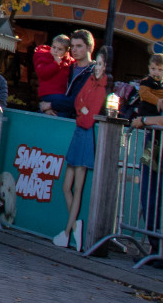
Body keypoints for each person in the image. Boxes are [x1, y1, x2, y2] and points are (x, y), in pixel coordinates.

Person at [54, 36, 108, 250]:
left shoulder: (101, 85)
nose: (99, 67)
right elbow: (78, 102)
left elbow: (89, 112)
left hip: (86, 134)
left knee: (77, 186)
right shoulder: (89, 79)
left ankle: (67, 233)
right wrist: (82, 109)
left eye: (102, 64)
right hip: (79, 131)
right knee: (66, 186)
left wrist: (83, 110)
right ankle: (76, 226)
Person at [130, 53, 163, 251]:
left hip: (156, 142)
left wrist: (143, 121)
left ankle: (156, 243)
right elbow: (144, 94)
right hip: (153, 144)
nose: (156, 72)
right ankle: (153, 243)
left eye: (159, 69)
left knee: (151, 190)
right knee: (147, 188)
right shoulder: (147, 83)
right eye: (154, 68)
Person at [41, 30, 95, 119]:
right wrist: (45, 106)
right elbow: (50, 88)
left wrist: (51, 104)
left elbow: (78, 101)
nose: (74, 49)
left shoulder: (94, 73)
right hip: (55, 117)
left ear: (89, 48)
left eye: (79, 46)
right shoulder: (67, 67)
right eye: (72, 46)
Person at [35, 34, 74, 106]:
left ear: (66, 51)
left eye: (60, 49)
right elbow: (43, 74)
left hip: (62, 94)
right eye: (54, 47)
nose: (55, 51)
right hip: (48, 92)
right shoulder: (44, 57)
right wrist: (56, 64)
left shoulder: (69, 62)